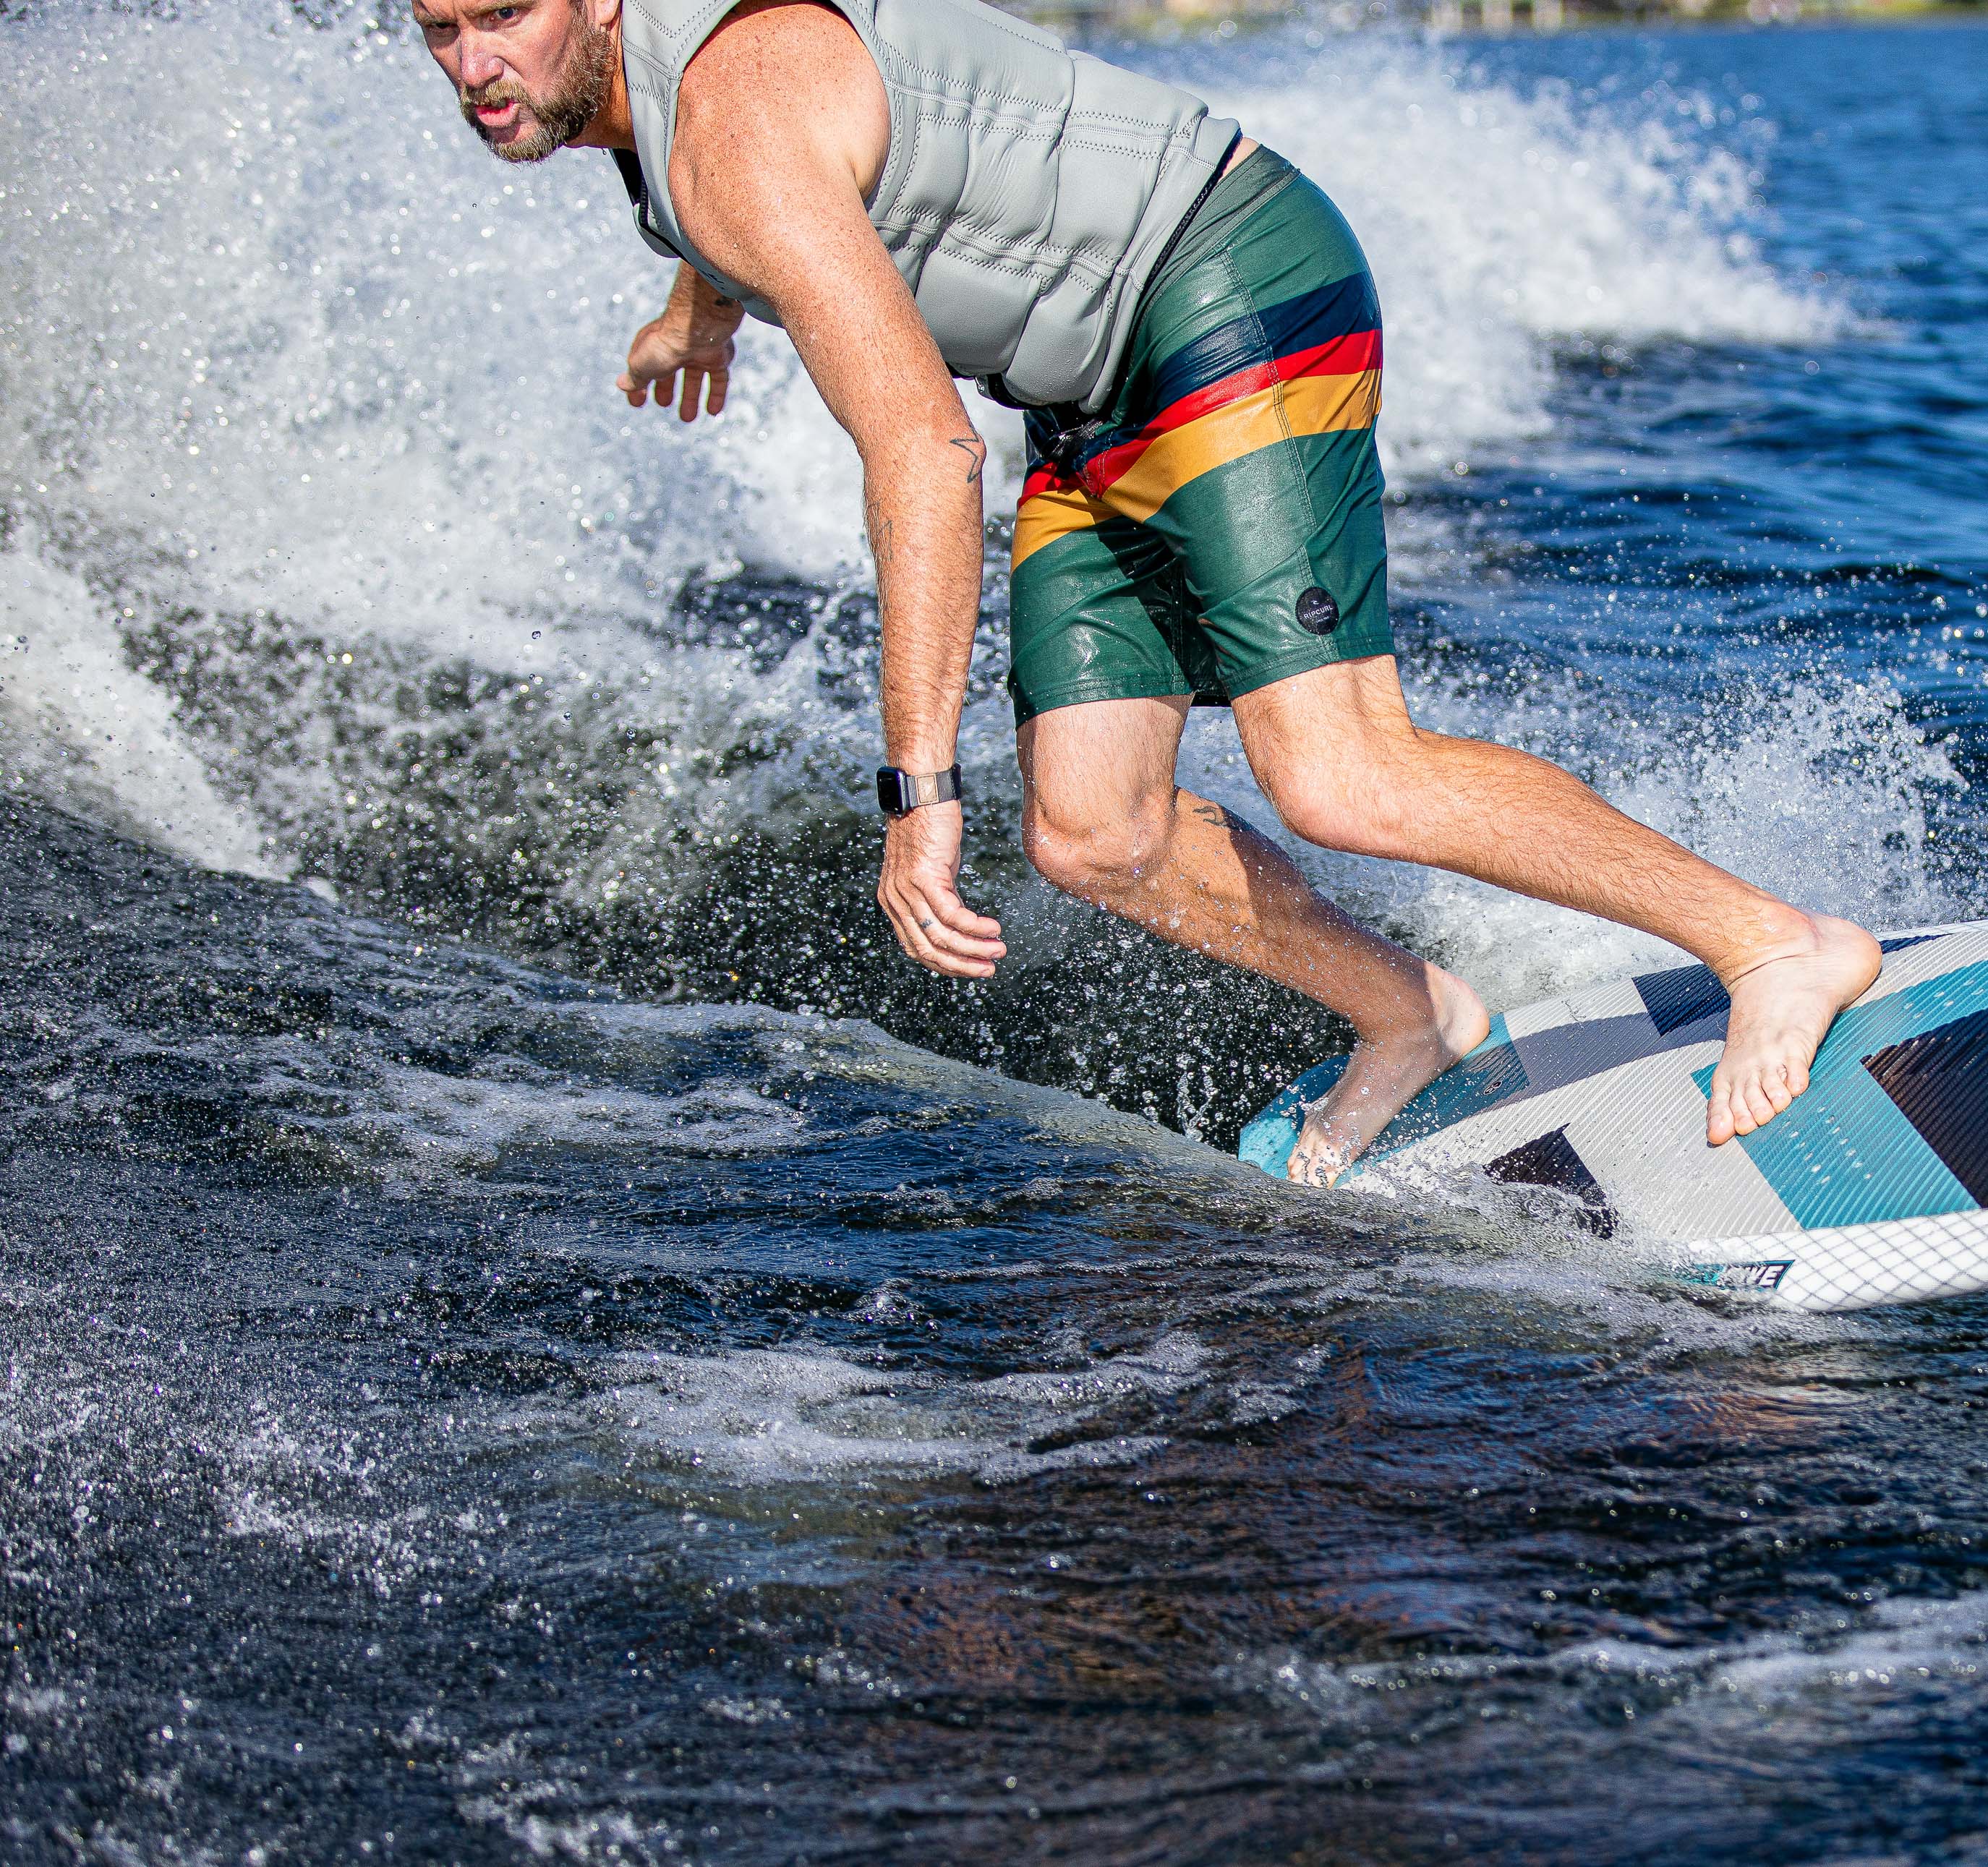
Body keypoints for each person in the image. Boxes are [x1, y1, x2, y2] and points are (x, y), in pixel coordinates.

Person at [414, 0, 1882, 1184]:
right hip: (1096, 391)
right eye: (438, 34)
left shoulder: (721, 125)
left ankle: (1774, 941)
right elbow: (752, 209)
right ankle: (1410, 1010)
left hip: (1220, 278)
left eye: (503, 21)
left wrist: (917, 793)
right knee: (1091, 834)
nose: (477, 66)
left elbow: (925, 450)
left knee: (1340, 776)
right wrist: (694, 310)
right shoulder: (668, 129)